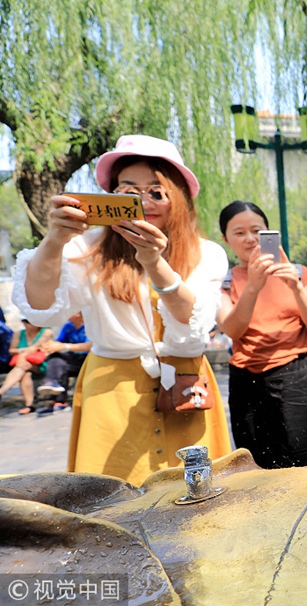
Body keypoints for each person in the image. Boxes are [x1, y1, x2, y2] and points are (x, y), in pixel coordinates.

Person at [12, 134, 232, 486]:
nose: (142, 202)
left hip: (187, 386)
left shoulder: (205, 253)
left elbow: (193, 322)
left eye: (156, 191)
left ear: (178, 197)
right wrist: (54, 240)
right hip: (111, 388)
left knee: (196, 498)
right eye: (128, 191)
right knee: (113, 499)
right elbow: (41, 309)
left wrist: (155, 263)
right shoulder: (88, 247)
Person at [217, 200, 307, 468]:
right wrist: (252, 287)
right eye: (239, 233)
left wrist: (295, 286)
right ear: (226, 239)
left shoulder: (298, 272)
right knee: (257, 461)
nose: (250, 239)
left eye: (257, 231)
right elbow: (232, 329)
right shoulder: (224, 280)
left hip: (297, 375)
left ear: (270, 234)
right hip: (247, 379)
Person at [35, 312, 92, 414]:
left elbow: (91, 346)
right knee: (57, 360)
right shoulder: (68, 326)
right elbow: (59, 342)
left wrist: (64, 346)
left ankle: (57, 395)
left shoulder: (90, 325)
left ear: (79, 313)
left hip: (87, 359)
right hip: (72, 358)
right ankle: (57, 395)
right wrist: (50, 346)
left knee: (59, 363)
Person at [0, 319, 54, 414]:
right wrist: (23, 353)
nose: (27, 324)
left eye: (29, 322)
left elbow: (35, 347)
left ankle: (2, 391)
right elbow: (11, 350)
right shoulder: (19, 334)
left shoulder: (46, 332)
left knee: (21, 367)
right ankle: (29, 405)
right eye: (25, 321)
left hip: (41, 364)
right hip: (25, 364)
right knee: (26, 374)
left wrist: (21, 355)